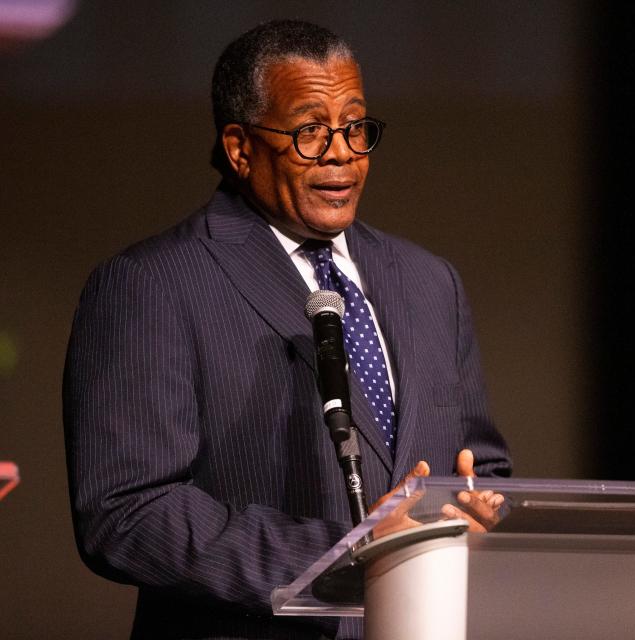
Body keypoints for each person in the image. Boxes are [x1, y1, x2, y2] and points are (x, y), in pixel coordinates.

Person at [62, 19, 511, 640]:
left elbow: (482, 469)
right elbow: (128, 514)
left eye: (356, 127)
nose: (342, 152)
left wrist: (475, 510)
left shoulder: (429, 281)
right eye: (309, 131)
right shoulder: (152, 284)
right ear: (241, 148)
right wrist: (346, 554)